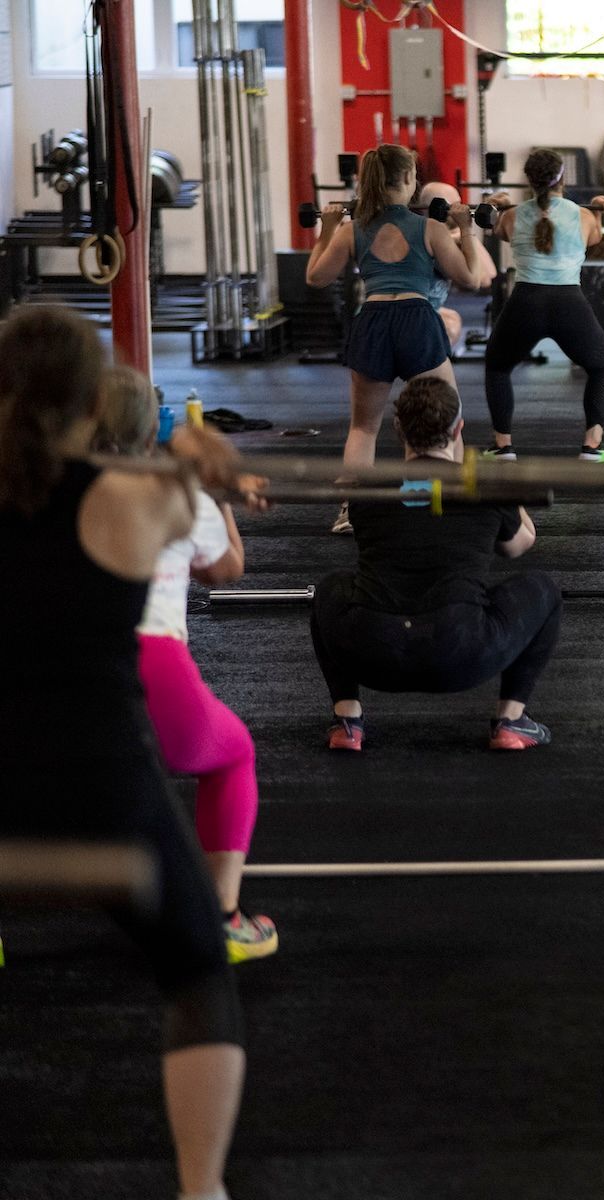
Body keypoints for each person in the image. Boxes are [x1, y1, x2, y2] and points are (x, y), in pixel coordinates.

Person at [0, 305, 265, 1200]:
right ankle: (202, 1190)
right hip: (97, 782)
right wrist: (200, 460)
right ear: (88, 396)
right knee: (196, 968)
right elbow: (207, 533)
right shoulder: (134, 499)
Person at [93, 366, 278, 963]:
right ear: (153, 428)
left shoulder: (42, 488)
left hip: (53, 665)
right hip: (150, 665)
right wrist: (216, 494)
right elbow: (226, 570)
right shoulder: (180, 492)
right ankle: (222, 918)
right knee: (233, 756)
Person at [310, 376, 561, 752]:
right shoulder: (481, 487)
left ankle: (347, 721)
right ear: (458, 429)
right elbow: (520, 545)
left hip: (373, 651)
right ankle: (510, 722)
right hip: (460, 652)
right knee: (545, 590)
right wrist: (510, 489)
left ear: (398, 429)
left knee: (329, 588)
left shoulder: (368, 489)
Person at [304, 143, 485, 533]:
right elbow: (471, 279)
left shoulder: (352, 230)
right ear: (408, 179)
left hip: (372, 321)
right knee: (446, 417)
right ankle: (437, 498)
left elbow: (316, 278)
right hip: (417, 320)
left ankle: (350, 511)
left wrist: (327, 231)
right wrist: (467, 229)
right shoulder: (432, 229)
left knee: (363, 428)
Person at [479, 148, 604, 463]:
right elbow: (594, 238)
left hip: (525, 302)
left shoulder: (513, 216)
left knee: (498, 366)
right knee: (601, 366)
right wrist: (597, 208)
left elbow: (494, 228)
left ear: (528, 180)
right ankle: (593, 445)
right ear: (563, 178)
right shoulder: (583, 216)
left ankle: (503, 447)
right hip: (569, 303)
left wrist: (495, 205)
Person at [417, 179, 499, 350]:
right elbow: (483, 280)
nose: (461, 210)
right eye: (454, 206)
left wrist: (461, 233)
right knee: (450, 325)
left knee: (451, 317)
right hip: (410, 314)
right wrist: (465, 230)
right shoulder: (434, 237)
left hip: (414, 309)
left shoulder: (427, 230)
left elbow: (490, 274)